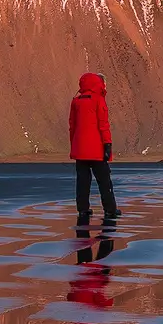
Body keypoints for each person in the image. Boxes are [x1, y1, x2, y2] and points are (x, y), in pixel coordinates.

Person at [68, 71, 119, 224]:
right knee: (104, 180)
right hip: (96, 148)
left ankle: (83, 209)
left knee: (83, 181)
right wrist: (108, 145)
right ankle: (110, 209)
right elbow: (103, 125)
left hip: (80, 148)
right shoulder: (98, 100)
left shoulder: (76, 101)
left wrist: (74, 145)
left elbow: (72, 126)